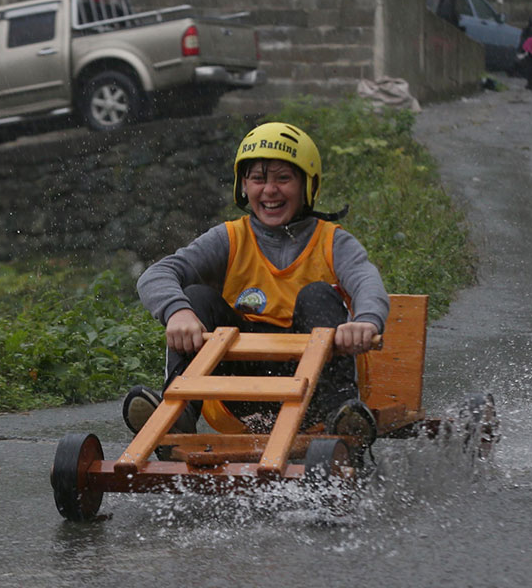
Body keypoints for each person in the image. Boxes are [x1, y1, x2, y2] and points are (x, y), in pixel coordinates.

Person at [123, 122, 390, 442]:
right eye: (258, 179)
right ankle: (178, 413)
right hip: (241, 390)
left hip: (315, 392)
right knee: (195, 297)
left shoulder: (334, 242)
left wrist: (366, 321)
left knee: (318, 294)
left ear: (308, 185)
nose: (269, 190)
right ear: (243, 186)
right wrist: (178, 312)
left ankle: (343, 415)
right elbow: (156, 275)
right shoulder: (229, 237)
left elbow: (366, 281)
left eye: (283, 178)